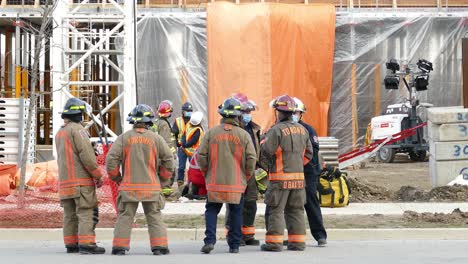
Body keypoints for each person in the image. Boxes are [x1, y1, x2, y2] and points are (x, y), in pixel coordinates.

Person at [106, 104, 174, 256]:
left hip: (129, 187)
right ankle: (160, 247)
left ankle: (119, 247)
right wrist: (162, 179)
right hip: (151, 187)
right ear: (150, 121)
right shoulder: (156, 139)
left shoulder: (123, 138)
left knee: (125, 216)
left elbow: (111, 160)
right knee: (154, 216)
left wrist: (117, 178)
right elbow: (169, 161)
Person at [198, 97, 257, 254]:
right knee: (236, 212)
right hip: (236, 182)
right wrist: (246, 176)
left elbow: (201, 156)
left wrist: (207, 173)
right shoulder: (244, 135)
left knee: (211, 210)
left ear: (222, 114)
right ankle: (234, 245)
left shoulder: (211, 133)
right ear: (238, 115)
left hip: (215, 181)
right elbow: (252, 158)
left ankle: (210, 241)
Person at [259, 94, 313, 252]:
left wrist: (263, 141)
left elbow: (267, 151)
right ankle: (297, 243)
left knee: (276, 210)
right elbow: (309, 153)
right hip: (298, 180)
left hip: (279, 179)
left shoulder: (276, 130)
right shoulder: (303, 130)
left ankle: (274, 243)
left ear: (279, 112)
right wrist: (297, 166)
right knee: (296, 210)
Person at [55, 98, 105, 254]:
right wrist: (98, 175)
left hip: (65, 183)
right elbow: (86, 156)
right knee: (86, 212)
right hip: (81, 183)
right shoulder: (78, 130)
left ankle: (71, 244)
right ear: (78, 114)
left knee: (70, 215)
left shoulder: (60, 132)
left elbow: (71, 153)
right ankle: (87, 244)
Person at [226, 98, 262, 246]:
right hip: (236, 171)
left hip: (252, 171)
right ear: (238, 113)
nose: (248, 114)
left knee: (251, 203)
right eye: (246, 111)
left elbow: (257, 148)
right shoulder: (233, 129)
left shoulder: (253, 128)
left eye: (250, 112)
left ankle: (248, 235)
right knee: (235, 204)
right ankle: (235, 235)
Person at [293, 97, 327, 247]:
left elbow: (313, 152)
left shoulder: (308, 129)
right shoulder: (279, 128)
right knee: (292, 206)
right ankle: (295, 236)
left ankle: (320, 235)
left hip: (308, 173)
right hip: (289, 173)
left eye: (296, 112)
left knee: (311, 204)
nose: (293, 114)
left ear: (301, 114)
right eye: (291, 112)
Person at [153, 100, 178, 197]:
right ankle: (166, 193)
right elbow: (166, 141)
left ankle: (162, 191)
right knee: (167, 171)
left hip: (158, 152)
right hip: (165, 153)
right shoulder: (164, 124)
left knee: (161, 172)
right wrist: (172, 154)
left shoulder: (157, 122)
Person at [172, 102, 193, 193]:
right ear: (183, 111)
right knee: (181, 167)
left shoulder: (194, 121)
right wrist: (177, 143)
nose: (189, 112)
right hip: (181, 148)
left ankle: (192, 183)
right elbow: (174, 133)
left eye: (190, 111)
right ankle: (180, 184)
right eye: (187, 111)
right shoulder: (178, 121)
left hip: (191, 148)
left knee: (193, 167)